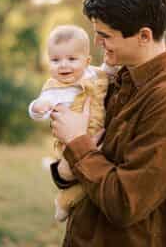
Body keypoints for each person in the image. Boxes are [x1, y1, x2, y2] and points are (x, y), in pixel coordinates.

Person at [49, 0, 166, 246]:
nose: (97, 43)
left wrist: (77, 143)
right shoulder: (112, 78)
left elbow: (126, 203)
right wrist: (64, 170)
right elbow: (90, 163)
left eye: (106, 36)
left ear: (144, 36)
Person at [28, 25, 110, 222]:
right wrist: (38, 107)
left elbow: (109, 72)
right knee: (80, 179)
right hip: (70, 144)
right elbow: (40, 107)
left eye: (72, 59)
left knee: (97, 173)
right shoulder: (54, 89)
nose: (63, 65)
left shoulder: (94, 74)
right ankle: (64, 202)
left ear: (87, 61)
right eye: (55, 60)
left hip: (98, 134)